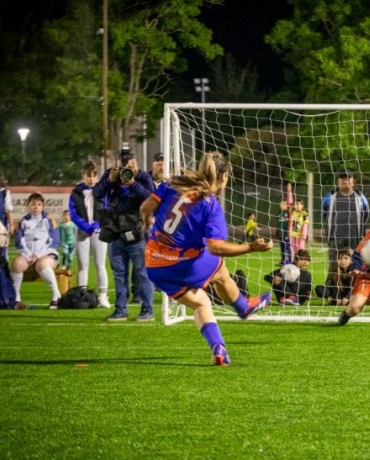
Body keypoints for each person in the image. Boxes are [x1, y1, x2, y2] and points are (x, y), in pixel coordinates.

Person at [140, 151, 273, 366]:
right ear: (223, 177)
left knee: (201, 302)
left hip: (154, 264)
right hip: (181, 264)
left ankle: (218, 348)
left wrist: (147, 223)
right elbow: (216, 247)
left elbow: (145, 207)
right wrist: (250, 247)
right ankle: (243, 306)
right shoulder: (210, 204)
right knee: (219, 268)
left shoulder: (174, 183)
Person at [94, 146, 156, 321]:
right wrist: (110, 180)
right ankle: (120, 309)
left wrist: (134, 182)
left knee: (142, 272)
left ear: (135, 163)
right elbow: (97, 193)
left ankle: (147, 310)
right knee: (119, 273)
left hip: (137, 232)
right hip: (115, 232)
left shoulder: (142, 176)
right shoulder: (111, 174)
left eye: (129, 164)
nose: (125, 169)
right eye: (123, 164)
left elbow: (152, 197)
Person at [68, 160, 111, 307]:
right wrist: (86, 227)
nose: (91, 178)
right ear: (83, 175)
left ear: (97, 176)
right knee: (82, 265)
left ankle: (103, 297)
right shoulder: (77, 192)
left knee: (100, 264)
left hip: (99, 231)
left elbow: (107, 209)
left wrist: (98, 224)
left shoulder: (102, 190)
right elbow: (73, 214)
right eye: (88, 175)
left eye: (94, 175)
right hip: (83, 232)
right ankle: (82, 297)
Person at [10, 192, 61, 309]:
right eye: (33, 204)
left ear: (43, 206)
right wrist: (28, 255)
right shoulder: (23, 221)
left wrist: (37, 255)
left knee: (42, 264)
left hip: (47, 254)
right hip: (28, 255)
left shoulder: (50, 219)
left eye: (39, 204)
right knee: (17, 263)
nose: (36, 207)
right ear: (28, 206)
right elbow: (19, 242)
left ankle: (55, 295)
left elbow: (54, 242)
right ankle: (16, 298)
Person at [322, 169, 370, 276]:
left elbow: (366, 214)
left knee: (356, 265)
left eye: (348, 178)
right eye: (342, 178)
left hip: (355, 238)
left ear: (353, 181)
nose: (345, 181)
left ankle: (355, 289)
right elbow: (324, 214)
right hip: (335, 237)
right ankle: (332, 289)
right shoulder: (330, 196)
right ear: (338, 182)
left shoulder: (360, 197)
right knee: (334, 266)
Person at [276, 200, 292, 265]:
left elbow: (289, 223)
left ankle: (288, 260)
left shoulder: (288, 213)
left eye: (283, 204)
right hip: (280, 234)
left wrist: (287, 233)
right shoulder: (279, 213)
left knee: (287, 248)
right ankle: (282, 260)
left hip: (285, 233)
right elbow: (278, 224)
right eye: (281, 204)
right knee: (282, 248)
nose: (281, 205)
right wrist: (277, 233)